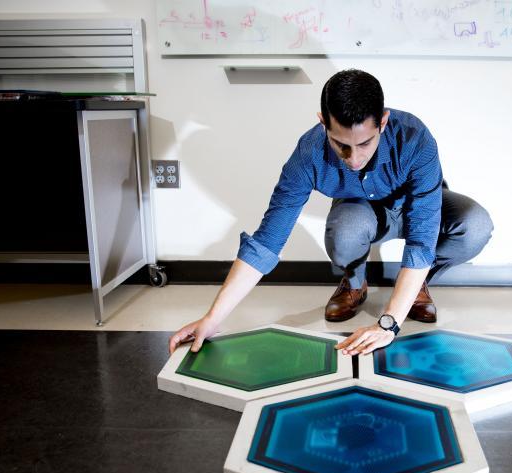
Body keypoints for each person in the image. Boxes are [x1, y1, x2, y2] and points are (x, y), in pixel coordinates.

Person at [168, 69, 493, 357]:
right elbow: (267, 242)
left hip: (417, 208)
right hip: (361, 211)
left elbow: (422, 239)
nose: (353, 159)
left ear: (382, 122)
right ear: (324, 123)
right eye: (341, 146)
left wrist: (388, 324)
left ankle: (416, 284)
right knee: (345, 229)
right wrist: (212, 318)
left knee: (475, 225)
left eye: (365, 144)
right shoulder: (308, 153)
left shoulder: (415, 138)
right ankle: (355, 283)